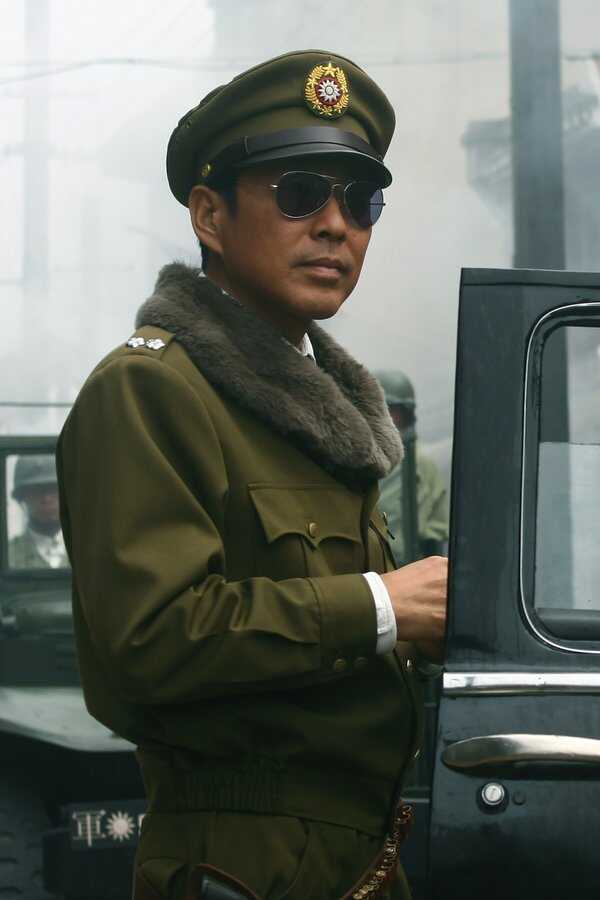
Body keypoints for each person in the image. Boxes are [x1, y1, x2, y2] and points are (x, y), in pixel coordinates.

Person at [56, 50, 447, 900]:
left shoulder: (315, 417)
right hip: (240, 866)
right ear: (210, 214)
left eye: (361, 201)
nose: (336, 225)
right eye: (301, 193)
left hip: (361, 862)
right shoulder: (152, 389)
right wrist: (382, 607)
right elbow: (148, 643)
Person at [375, 371, 449, 566]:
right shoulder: (356, 462)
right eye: (383, 410)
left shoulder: (421, 465)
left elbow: (437, 529)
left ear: (407, 415)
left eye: (395, 412)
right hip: (369, 573)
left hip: (412, 568)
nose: (390, 419)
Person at [9, 455, 68, 570]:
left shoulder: (87, 549)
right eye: (36, 490)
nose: (47, 499)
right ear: (22, 497)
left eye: (53, 488)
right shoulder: (7, 555)